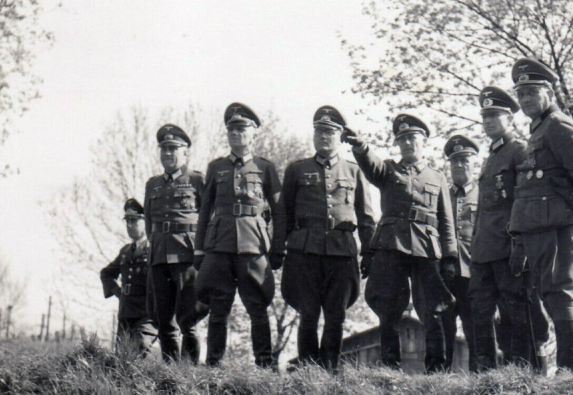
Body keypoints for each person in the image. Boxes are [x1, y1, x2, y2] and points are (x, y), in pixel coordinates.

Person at [509, 58, 573, 370]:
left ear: (549, 93)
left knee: (561, 293)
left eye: (532, 92)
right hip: (542, 226)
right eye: (521, 93)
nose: (525, 99)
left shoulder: (558, 125)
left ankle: (571, 371)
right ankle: (570, 368)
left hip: (562, 225)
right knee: (552, 294)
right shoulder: (539, 128)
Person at [343, 114, 457, 373]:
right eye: (402, 139)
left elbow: (446, 221)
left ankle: (436, 370)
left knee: (433, 308)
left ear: (423, 142)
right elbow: (370, 164)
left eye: (412, 138)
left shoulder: (437, 177)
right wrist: (360, 145)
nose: (407, 143)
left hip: (426, 248)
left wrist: (450, 256)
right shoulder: (388, 170)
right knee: (388, 306)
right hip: (391, 245)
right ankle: (390, 369)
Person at [279, 106, 375, 373]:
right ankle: (309, 371)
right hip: (304, 253)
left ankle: (330, 371)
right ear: (313, 135)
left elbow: (366, 216)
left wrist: (369, 252)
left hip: (341, 253)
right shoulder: (297, 169)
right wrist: (278, 249)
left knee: (336, 316)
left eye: (330, 132)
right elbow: (283, 213)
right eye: (319, 131)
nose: (324, 137)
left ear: (340, 137)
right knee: (308, 314)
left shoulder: (354, 171)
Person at [194, 103, 286, 368]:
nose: (236, 133)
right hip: (219, 245)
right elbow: (205, 210)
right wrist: (199, 249)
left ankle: (264, 366)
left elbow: (279, 211)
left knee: (258, 307)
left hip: (253, 245)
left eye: (242, 129)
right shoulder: (216, 167)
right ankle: (213, 365)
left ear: (253, 133)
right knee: (218, 308)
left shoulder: (265, 168)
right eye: (232, 129)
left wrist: (278, 248)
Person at [469, 86, 551, 372]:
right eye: (485, 116)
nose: (489, 121)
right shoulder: (490, 157)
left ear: (510, 118)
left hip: (508, 245)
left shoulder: (519, 151)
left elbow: (525, 200)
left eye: (495, 115)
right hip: (483, 249)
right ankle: (486, 373)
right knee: (481, 310)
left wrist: (520, 244)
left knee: (517, 309)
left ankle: (522, 371)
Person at [144, 124, 206, 363]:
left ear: (185, 152)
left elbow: (208, 218)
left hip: (187, 255)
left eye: (173, 149)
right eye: (164, 149)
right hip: (160, 256)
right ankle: (170, 372)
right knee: (164, 320)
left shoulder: (197, 180)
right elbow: (149, 223)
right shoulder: (153, 184)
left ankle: (188, 373)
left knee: (189, 319)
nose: (168, 153)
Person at [100, 198, 157, 357]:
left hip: (147, 315)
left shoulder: (155, 250)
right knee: (121, 358)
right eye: (127, 221)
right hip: (126, 314)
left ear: (146, 221)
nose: (129, 225)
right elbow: (106, 273)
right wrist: (118, 292)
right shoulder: (125, 252)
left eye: (134, 220)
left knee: (140, 349)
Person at [441, 135, 479, 371]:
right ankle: (442, 376)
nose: (459, 166)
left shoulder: (484, 195)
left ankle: (477, 374)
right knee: (444, 326)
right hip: (446, 272)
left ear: (475, 163)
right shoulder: (442, 194)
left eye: (464, 160)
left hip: (474, 271)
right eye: (454, 161)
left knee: (474, 325)